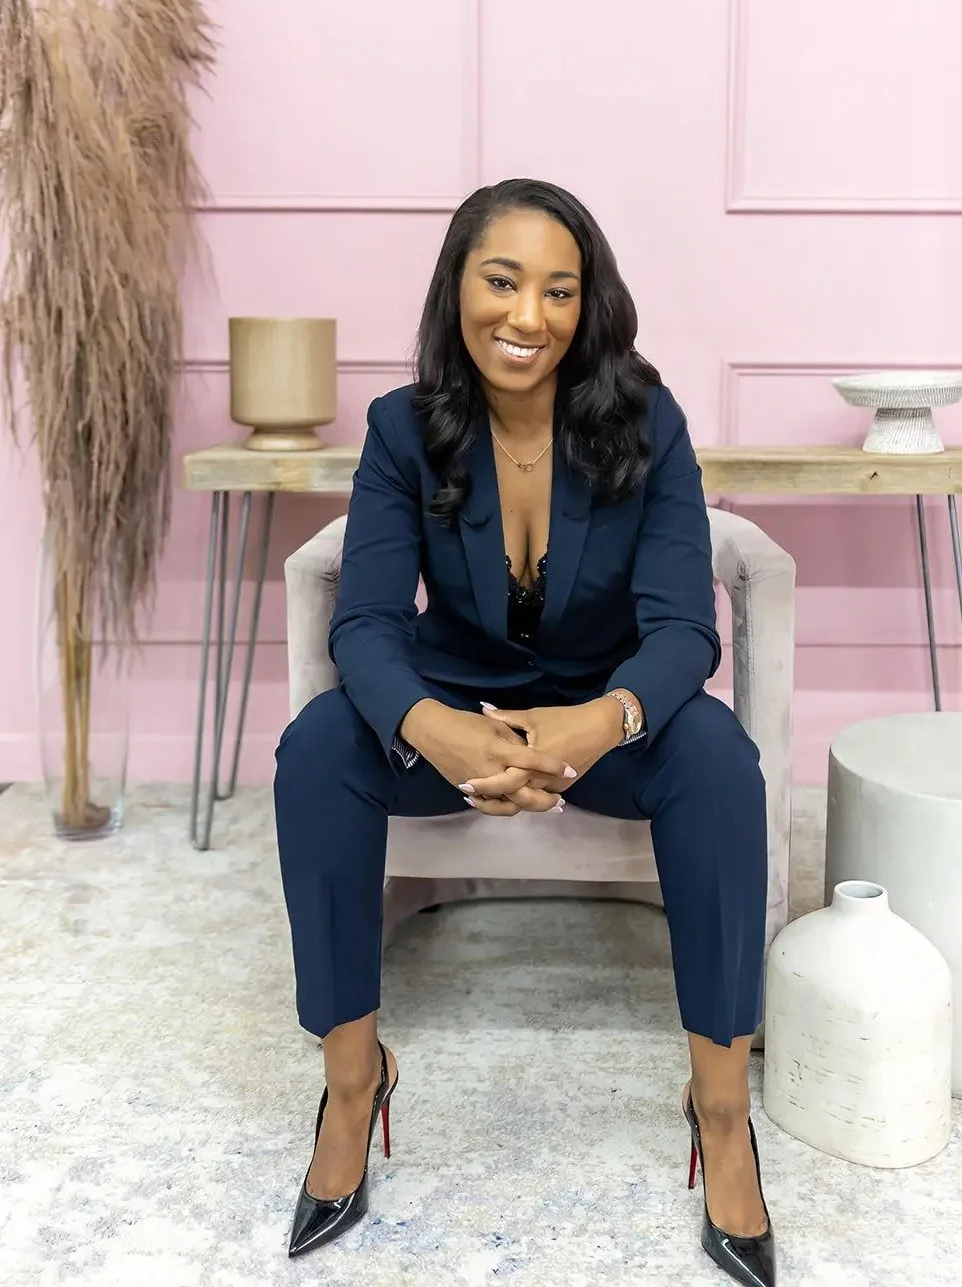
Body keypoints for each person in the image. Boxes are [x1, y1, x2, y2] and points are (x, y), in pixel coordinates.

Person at [273, 178, 775, 1286]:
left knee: (718, 761)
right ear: (457, 286)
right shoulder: (401, 429)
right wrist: (437, 730)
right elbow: (365, 621)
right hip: (452, 709)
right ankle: (352, 1084)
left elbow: (682, 627)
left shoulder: (648, 422)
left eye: (558, 290)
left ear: (587, 304)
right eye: (501, 281)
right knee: (315, 751)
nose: (526, 315)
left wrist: (597, 724)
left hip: (604, 719)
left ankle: (721, 1108)